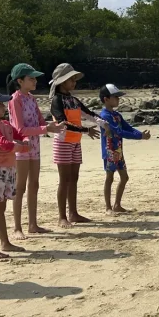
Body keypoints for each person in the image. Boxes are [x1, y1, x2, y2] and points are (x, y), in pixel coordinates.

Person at [0, 89, 48, 259]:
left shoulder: (5, 123)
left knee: (1, 208)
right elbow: (4, 144)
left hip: (8, 170)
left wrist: (27, 140)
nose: (3, 106)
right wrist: (21, 146)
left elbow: (19, 133)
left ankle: (5, 242)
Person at [49, 63, 106, 227]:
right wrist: (85, 130)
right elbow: (62, 123)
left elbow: (89, 114)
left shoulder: (73, 100)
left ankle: (73, 213)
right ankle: (62, 217)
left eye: (74, 79)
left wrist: (104, 123)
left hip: (75, 142)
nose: (74, 82)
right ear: (62, 81)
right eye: (71, 79)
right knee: (64, 179)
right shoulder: (57, 100)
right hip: (63, 142)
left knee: (74, 178)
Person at [7, 63, 53, 238]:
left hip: (34, 146)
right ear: (19, 81)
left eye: (35, 78)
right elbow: (20, 129)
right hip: (20, 146)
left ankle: (33, 224)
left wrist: (50, 127)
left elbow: (41, 122)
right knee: (20, 187)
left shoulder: (32, 98)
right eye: (31, 78)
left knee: (34, 184)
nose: (34, 81)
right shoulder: (15, 99)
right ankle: (17, 227)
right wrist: (46, 130)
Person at [99, 83, 150, 213]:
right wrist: (139, 137)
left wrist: (140, 134)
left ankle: (117, 205)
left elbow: (128, 127)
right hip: (109, 151)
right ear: (106, 99)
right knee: (109, 178)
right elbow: (118, 132)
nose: (118, 99)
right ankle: (108, 207)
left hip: (118, 151)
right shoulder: (104, 116)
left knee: (124, 177)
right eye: (115, 97)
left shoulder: (116, 115)